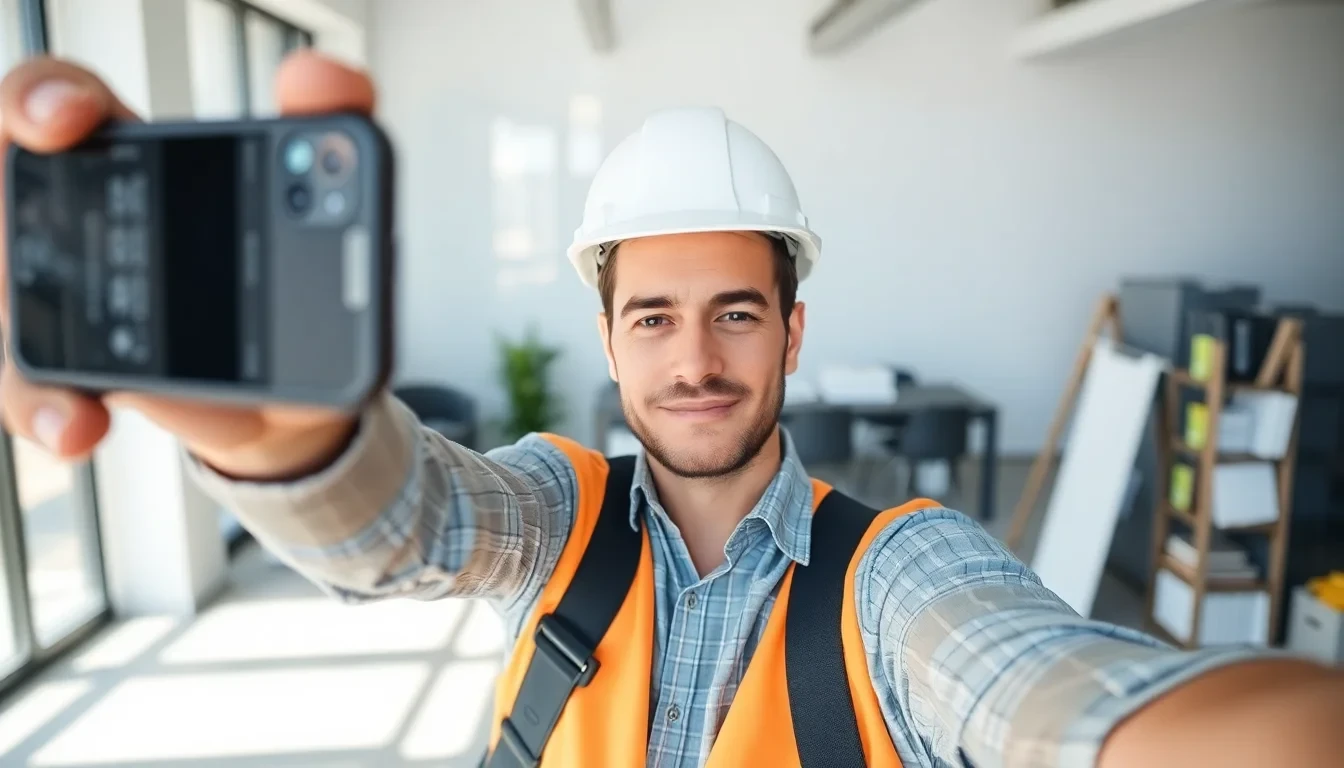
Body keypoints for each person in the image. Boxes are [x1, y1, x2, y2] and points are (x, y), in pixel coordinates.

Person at [1, 52, 1340, 768]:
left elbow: (1052, 695)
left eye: (737, 313)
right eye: (655, 315)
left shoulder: (903, 575)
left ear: (793, 329)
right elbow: (407, 527)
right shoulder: (557, 510)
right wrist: (274, 432)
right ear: (610, 335)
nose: (695, 359)